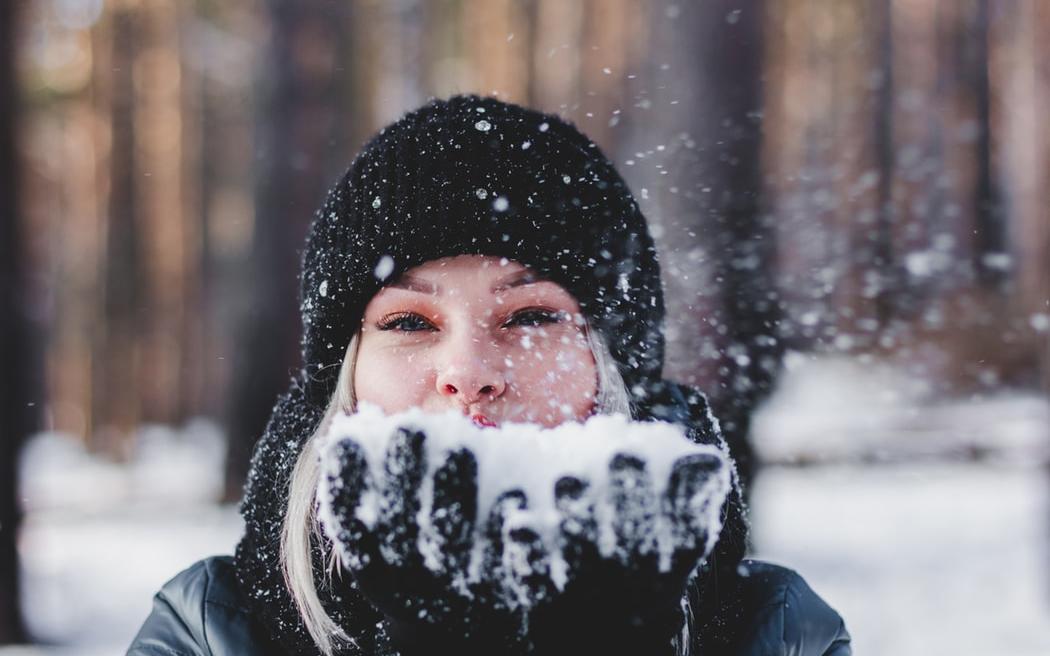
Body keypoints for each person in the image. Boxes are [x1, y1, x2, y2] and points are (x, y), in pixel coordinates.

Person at [126, 94, 851, 656]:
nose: (469, 375)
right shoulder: (208, 629)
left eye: (531, 316)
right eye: (409, 323)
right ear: (344, 377)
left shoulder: (778, 633)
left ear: (610, 363)